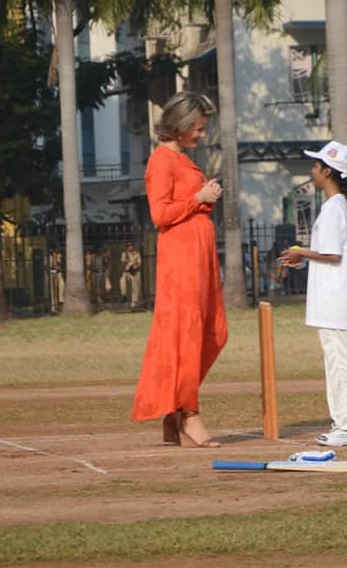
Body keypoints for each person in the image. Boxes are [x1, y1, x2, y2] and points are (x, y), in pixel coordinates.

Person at [131, 91, 227, 448]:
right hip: (181, 260)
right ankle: (188, 412)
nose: (202, 135)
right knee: (188, 336)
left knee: (213, 332)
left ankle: (174, 411)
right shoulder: (162, 161)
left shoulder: (184, 159)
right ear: (182, 125)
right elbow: (160, 214)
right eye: (198, 129)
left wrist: (205, 195)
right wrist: (197, 199)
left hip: (199, 256)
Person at [279, 140, 347, 447]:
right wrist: (301, 256)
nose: (312, 170)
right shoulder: (337, 206)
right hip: (332, 301)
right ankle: (343, 424)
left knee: (342, 363)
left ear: (327, 171)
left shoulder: (335, 208)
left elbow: (332, 254)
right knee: (336, 363)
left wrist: (299, 251)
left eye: (316, 165)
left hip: (335, 302)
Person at [120, 242, 142, 310]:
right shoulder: (124, 253)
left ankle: (133, 302)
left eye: (131, 245)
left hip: (134, 271)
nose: (130, 247)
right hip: (127, 272)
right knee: (122, 281)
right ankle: (124, 295)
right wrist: (126, 260)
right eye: (129, 246)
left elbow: (139, 263)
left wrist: (135, 266)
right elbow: (122, 261)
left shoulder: (137, 253)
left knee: (135, 287)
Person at [48, 247, 65, 313]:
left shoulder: (59, 256)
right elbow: (48, 267)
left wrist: (58, 266)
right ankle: (53, 305)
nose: (55, 251)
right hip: (52, 273)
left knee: (62, 284)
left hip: (59, 273)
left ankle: (61, 301)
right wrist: (54, 270)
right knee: (53, 289)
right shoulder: (49, 257)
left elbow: (60, 265)